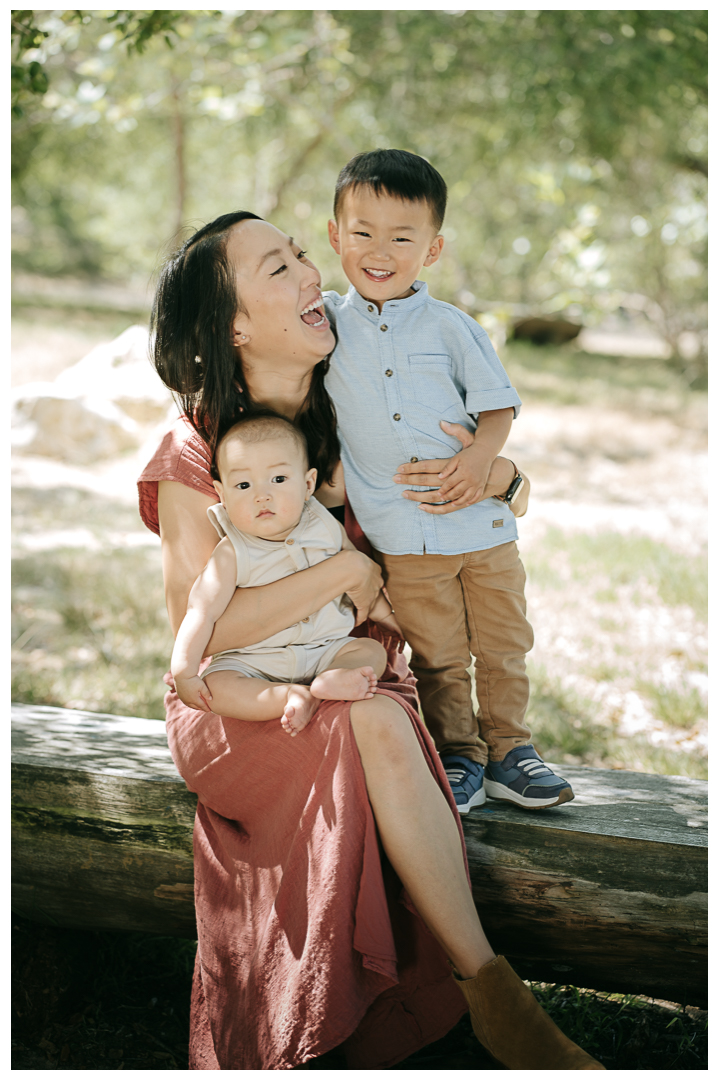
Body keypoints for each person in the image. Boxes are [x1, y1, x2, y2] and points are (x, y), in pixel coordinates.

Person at [138, 209, 604, 1070]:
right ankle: (470, 1003)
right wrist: (344, 579)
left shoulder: (354, 407)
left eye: (302, 255)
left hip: (350, 671)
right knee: (371, 722)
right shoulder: (195, 452)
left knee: (375, 712)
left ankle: (490, 1002)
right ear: (234, 323)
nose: (314, 275)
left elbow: (482, 496)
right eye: (278, 268)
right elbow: (201, 644)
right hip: (237, 700)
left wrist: (506, 478)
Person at [324, 148, 573, 813]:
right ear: (334, 236)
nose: (380, 250)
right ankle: (459, 754)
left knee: (501, 646)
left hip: (482, 526)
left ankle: (511, 752)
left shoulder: (451, 327)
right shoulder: (326, 326)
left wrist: (480, 460)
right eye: (362, 232)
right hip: (402, 535)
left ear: (431, 250)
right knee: (437, 655)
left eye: (402, 237)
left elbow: (498, 405)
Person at [171, 412, 398, 734]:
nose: (261, 495)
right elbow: (201, 613)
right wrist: (184, 671)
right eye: (244, 484)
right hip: (254, 660)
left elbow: (362, 583)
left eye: (278, 480)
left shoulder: (324, 526)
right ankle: (289, 697)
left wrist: (392, 620)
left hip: (326, 647)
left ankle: (332, 679)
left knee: (369, 651)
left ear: (307, 485)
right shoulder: (232, 550)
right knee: (218, 685)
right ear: (223, 495)